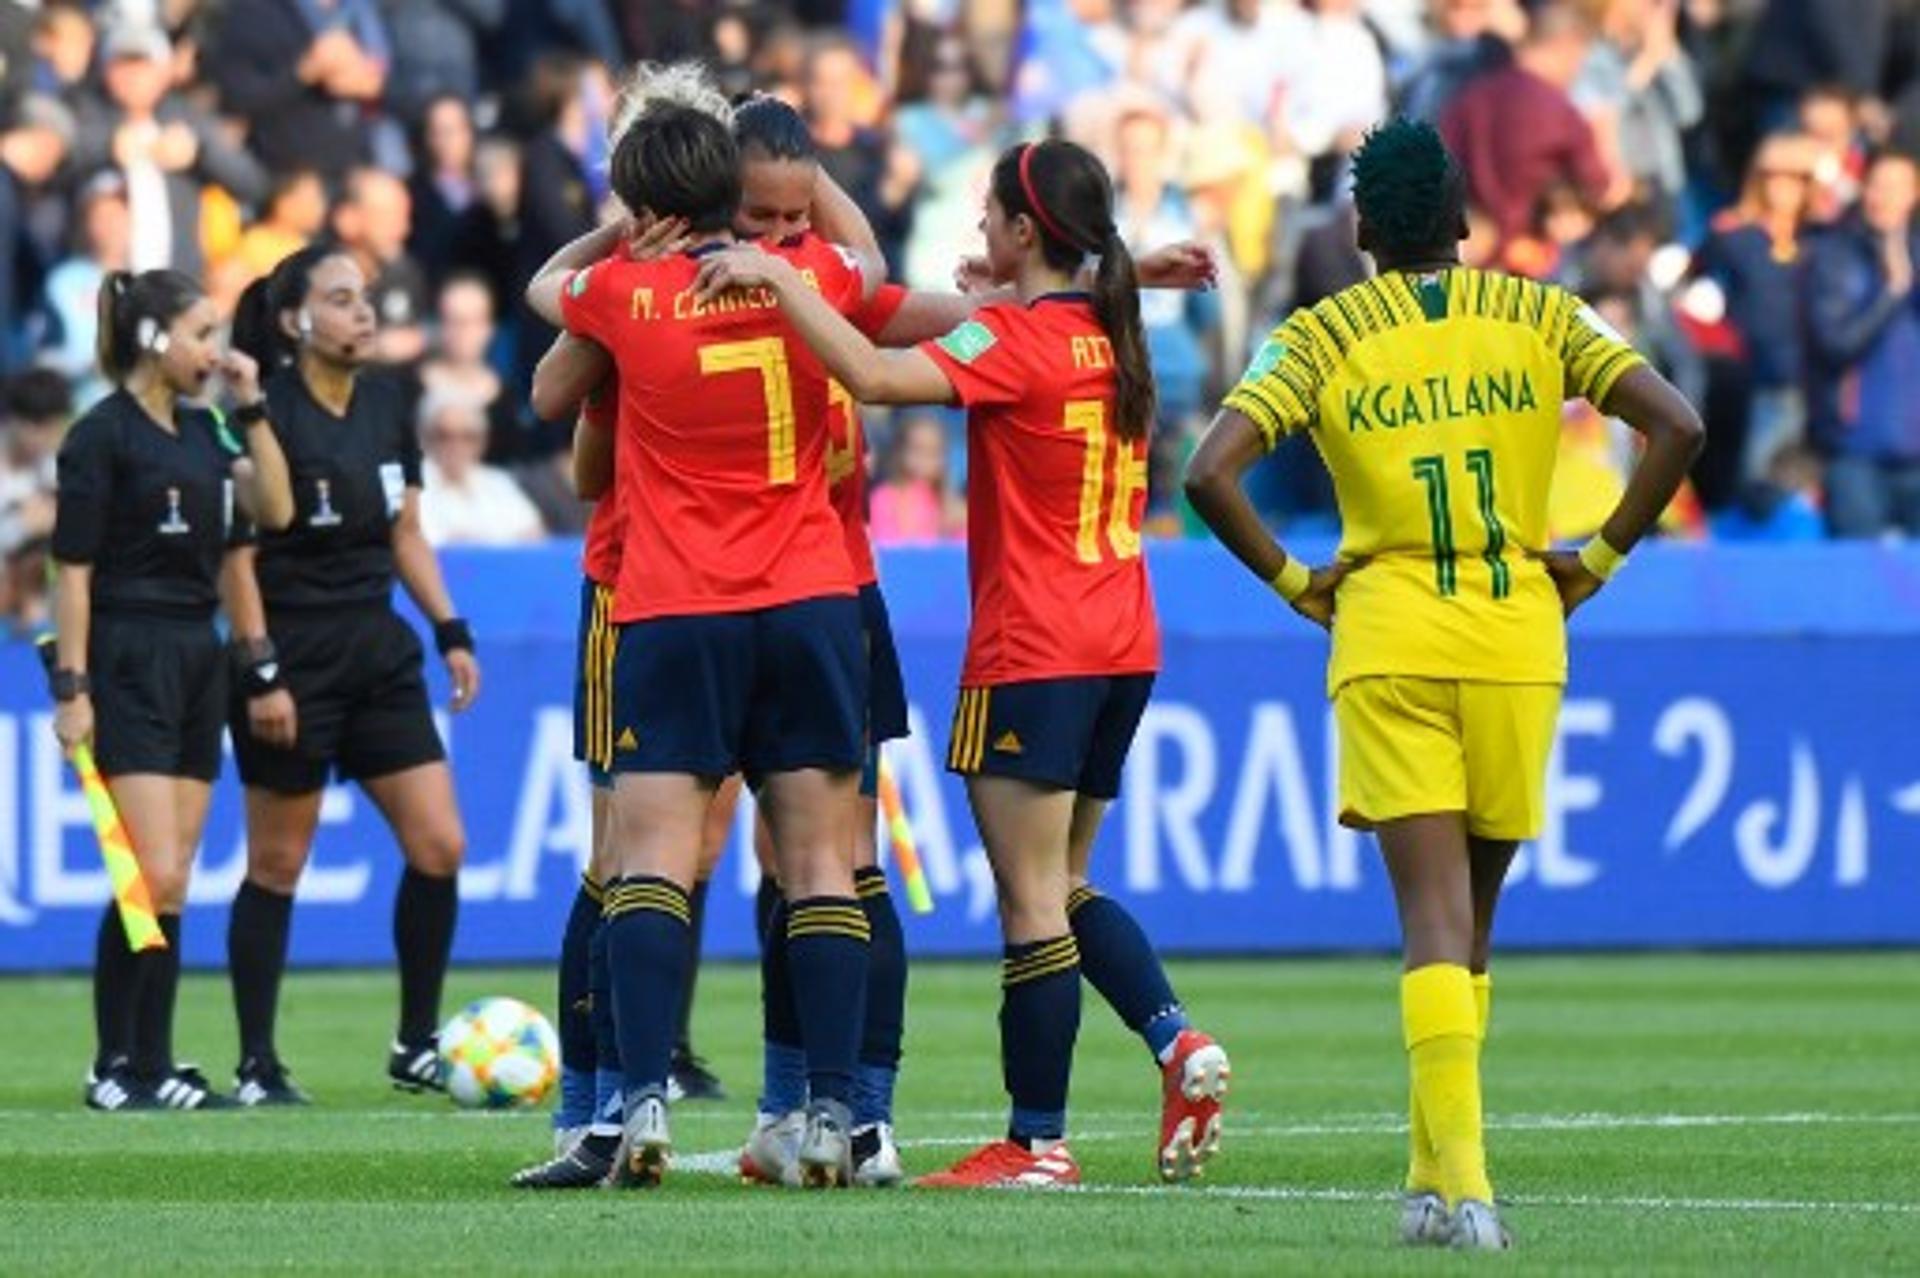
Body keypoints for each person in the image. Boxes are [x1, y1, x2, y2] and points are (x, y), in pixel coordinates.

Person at [1182, 117, 1702, 1249]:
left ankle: (1458, 1187)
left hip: (1389, 630)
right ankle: (1437, 1184)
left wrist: (1292, 581)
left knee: (1427, 915)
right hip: (1519, 633)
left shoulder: (1320, 335)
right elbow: (1678, 423)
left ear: (1362, 227)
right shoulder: (1543, 313)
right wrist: (1598, 558)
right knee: (1475, 923)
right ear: (1464, 221)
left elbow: (1208, 470)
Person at [695, 137, 1233, 1190]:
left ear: (1027, 230)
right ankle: (1175, 1040)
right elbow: (1014, 317)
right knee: (1068, 884)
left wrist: (774, 273)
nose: (979, 233)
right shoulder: (1110, 328)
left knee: (1030, 901)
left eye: (992, 215)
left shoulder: (1015, 339)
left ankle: (1036, 1143)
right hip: (1125, 636)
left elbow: (867, 373)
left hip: (1035, 644)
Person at [526, 103, 875, 1190]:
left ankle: (638, 1107)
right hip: (812, 596)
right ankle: (830, 1114)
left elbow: (546, 299)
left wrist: (617, 239)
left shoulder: (623, 294)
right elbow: (869, 259)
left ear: (642, 203)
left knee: (653, 865)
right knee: (821, 864)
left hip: (675, 606)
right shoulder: (814, 281)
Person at [221, 245, 481, 1105]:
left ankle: (415, 1042)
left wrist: (449, 627)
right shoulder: (266, 413)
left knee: (440, 844)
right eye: (341, 300)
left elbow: (405, 531)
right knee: (279, 862)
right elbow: (241, 555)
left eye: (366, 299)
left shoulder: (385, 401)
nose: (364, 313)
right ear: (297, 320)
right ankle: (258, 1062)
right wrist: (260, 670)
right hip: (292, 654)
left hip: (377, 648)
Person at [51, 267, 294, 1110]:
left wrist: (253, 405)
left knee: (176, 877)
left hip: (200, 652)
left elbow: (274, 509)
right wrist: (72, 685)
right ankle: (119, 1063)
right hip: (129, 650)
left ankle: (149, 1059)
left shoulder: (212, 432)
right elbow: (71, 573)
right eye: (200, 333)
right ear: (155, 339)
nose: (213, 350)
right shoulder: (100, 436)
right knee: (147, 871)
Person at [1803, 150, 1920, 538]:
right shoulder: (1834, 255)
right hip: (1855, 450)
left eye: (1895, 188)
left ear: (1914, 195)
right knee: (1860, 579)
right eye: (1876, 185)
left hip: (1915, 451)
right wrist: (1891, 292)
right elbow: (1836, 344)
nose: (1883, 197)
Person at [415, 390, 544, 545]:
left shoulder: (497, 482)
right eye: (444, 436)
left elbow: (534, 534)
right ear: (425, 438)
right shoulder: (412, 485)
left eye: (468, 437)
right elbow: (422, 542)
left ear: (482, 441)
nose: (456, 445)